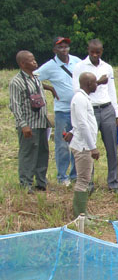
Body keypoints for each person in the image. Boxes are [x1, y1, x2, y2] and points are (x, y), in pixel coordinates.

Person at [72, 39, 118, 192]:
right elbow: (77, 90)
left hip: (107, 108)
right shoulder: (79, 67)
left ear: (102, 51)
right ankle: (89, 183)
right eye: (92, 51)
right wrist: (98, 82)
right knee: (89, 147)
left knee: (112, 148)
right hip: (89, 109)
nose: (94, 54)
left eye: (98, 52)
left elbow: (112, 91)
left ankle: (113, 182)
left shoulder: (107, 67)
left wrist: (117, 114)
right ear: (88, 50)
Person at [35, 37, 81, 186]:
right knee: (62, 144)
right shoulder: (50, 66)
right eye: (60, 47)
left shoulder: (76, 61)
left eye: (66, 46)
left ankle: (75, 174)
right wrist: (49, 88)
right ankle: (62, 177)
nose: (64, 49)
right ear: (55, 50)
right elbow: (33, 77)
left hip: (78, 109)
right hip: (62, 111)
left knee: (77, 142)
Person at [9, 51, 50, 194]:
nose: (34, 62)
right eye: (31, 60)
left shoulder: (36, 78)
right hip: (29, 124)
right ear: (22, 64)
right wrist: (23, 124)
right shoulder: (17, 81)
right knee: (28, 154)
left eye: (34, 59)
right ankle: (26, 183)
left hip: (41, 122)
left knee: (42, 153)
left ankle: (41, 182)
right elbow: (14, 105)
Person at [68, 72, 100, 217]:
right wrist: (92, 147)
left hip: (83, 144)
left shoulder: (82, 98)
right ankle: (79, 215)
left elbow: (78, 121)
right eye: (94, 82)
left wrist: (70, 131)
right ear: (88, 84)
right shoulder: (80, 99)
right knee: (83, 180)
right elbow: (82, 124)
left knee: (85, 179)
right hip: (83, 146)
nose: (97, 84)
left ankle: (83, 212)